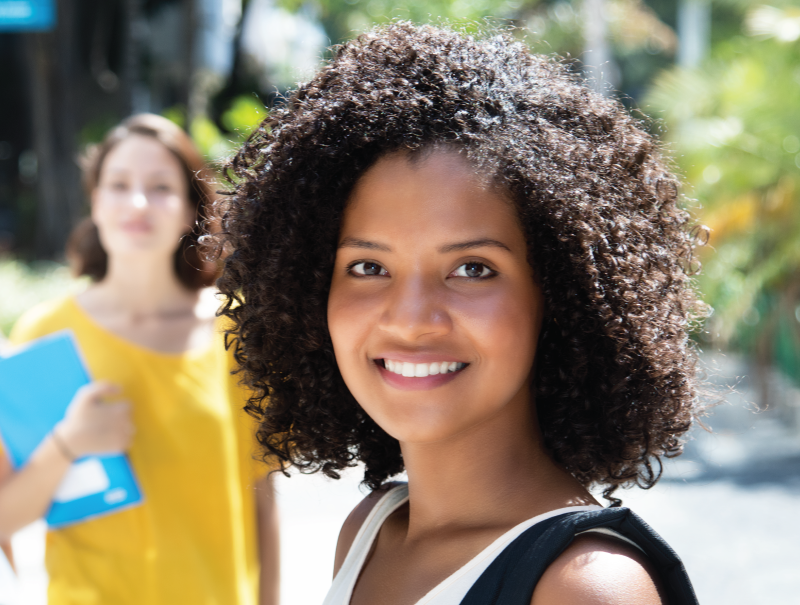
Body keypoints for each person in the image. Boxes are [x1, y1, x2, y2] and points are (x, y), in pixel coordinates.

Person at [211, 23, 705, 605]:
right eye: (368, 267)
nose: (412, 318)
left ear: (564, 293)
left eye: (472, 268)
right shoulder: (370, 529)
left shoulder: (585, 587)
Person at [0, 114, 279, 605]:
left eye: (160, 187)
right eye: (119, 184)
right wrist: (67, 445)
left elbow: (262, 502)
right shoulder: (45, 334)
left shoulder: (236, 332)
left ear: (190, 209)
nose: (137, 203)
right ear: (95, 201)